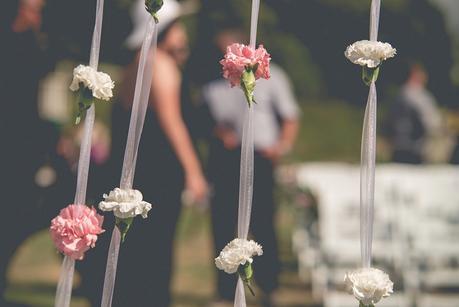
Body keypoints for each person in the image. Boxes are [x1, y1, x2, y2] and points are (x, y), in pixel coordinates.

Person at [79, 1, 208, 306]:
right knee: (156, 251)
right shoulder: (158, 63)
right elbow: (172, 122)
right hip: (157, 173)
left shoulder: (135, 63)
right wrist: (194, 171)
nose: (183, 34)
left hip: (138, 172)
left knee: (136, 250)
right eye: (178, 26)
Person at [201, 28, 300, 306]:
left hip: (262, 158)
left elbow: (290, 117)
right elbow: (207, 123)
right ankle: (224, 292)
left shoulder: (274, 76)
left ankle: (269, 286)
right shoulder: (212, 85)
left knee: (263, 222)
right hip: (226, 159)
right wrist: (219, 134)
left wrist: (281, 147)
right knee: (223, 225)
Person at [0, 0, 73, 306]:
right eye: (32, 9)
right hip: (14, 146)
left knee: (24, 212)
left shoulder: (36, 44)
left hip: (29, 147)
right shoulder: (15, 47)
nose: (36, 15)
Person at [384, 63, 443, 164]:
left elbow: (387, 122)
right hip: (415, 149)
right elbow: (431, 123)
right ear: (417, 76)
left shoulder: (399, 95)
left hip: (396, 148)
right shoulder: (420, 96)